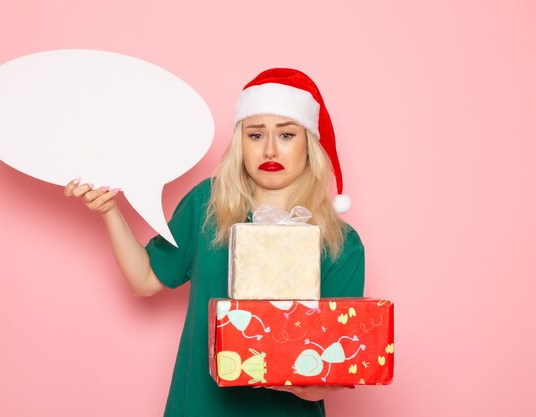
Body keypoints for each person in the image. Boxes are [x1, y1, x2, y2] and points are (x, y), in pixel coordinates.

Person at [64, 68, 365, 417]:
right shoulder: (207, 205)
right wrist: (110, 210)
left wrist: (279, 366)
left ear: (309, 143)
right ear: (241, 142)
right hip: (199, 407)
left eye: (286, 135)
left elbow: (331, 369)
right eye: (255, 135)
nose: (269, 149)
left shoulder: (341, 243)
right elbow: (144, 280)